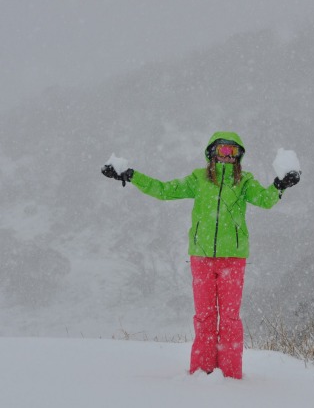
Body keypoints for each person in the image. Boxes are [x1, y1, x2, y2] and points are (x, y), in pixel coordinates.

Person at [102, 131, 300, 379]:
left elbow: (265, 200)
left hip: (233, 259)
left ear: (239, 156)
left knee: (229, 319)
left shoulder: (244, 182)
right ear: (211, 154)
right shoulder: (198, 179)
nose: (227, 156)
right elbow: (164, 190)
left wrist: (280, 185)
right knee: (205, 317)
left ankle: (230, 374)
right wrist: (130, 175)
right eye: (222, 150)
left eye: (232, 151)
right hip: (201, 259)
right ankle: (201, 372)